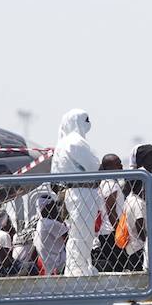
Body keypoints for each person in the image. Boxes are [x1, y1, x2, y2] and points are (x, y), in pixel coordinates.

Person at [51, 109, 101, 277]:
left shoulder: (63, 142)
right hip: (82, 192)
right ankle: (77, 269)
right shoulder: (76, 142)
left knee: (78, 233)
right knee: (83, 233)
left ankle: (78, 267)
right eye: (86, 120)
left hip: (72, 192)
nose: (89, 123)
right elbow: (94, 166)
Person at [94, 154, 126, 272]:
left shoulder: (104, 183)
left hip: (106, 232)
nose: (121, 166)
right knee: (119, 267)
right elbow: (111, 211)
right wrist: (120, 231)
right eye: (118, 164)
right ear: (109, 167)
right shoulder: (111, 185)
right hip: (112, 233)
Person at [35, 196, 68, 275]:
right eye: (51, 206)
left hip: (49, 263)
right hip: (58, 263)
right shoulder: (49, 223)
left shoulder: (41, 223)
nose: (54, 209)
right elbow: (68, 235)